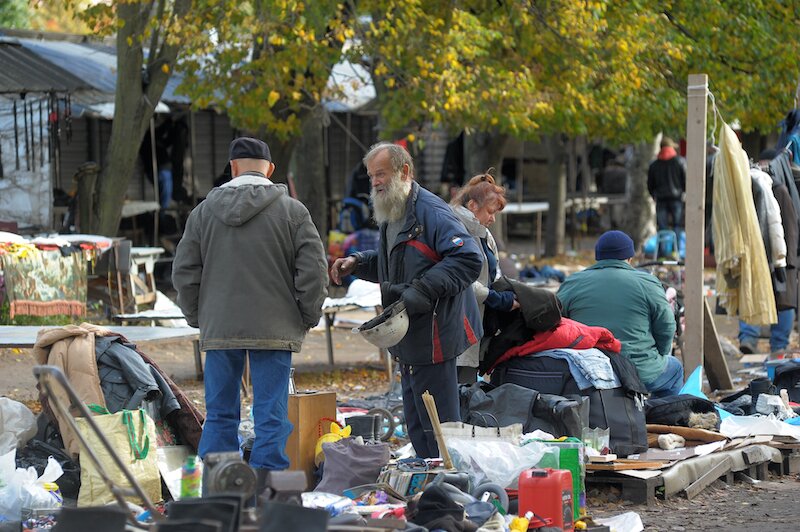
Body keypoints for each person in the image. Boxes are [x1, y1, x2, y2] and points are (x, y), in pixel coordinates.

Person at [172, 137, 328, 483]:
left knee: (219, 415)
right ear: (270, 170)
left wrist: (199, 316)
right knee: (271, 415)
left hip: (220, 327)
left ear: (233, 167)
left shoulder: (202, 213)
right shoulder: (293, 211)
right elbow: (313, 271)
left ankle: (218, 489)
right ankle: (267, 490)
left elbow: (184, 272)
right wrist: (307, 315)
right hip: (275, 328)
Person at [330, 142, 483, 458]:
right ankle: (428, 491)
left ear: (405, 172)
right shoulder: (392, 209)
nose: (375, 182)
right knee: (416, 423)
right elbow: (395, 263)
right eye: (372, 175)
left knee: (439, 426)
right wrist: (358, 262)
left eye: (381, 174)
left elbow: (468, 259)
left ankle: (451, 490)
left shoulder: (432, 212)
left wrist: (423, 291)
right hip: (408, 332)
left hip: (435, 333)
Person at [556, 230, 681, 398]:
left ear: (598, 257)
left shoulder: (573, 283)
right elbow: (666, 326)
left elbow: (556, 323)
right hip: (639, 371)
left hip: (586, 373)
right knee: (675, 369)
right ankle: (656, 418)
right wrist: (661, 354)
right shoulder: (647, 283)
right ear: (630, 258)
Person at [449, 171, 519, 383]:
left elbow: (491, 273)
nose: (492, 218)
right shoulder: (453, 230)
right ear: (472, 206)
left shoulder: (482, 233)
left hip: (474, 321)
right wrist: (494, 298)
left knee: (466, 390)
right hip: (455, 322)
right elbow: (458, 277)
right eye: (490, 212)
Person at [647, 137, 686, 255]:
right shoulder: (680, 161)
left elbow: (650, 184)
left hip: (661, 199)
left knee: (662, 227)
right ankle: (676, 252)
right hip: (676, 198)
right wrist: (683, 192)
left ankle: (662, 252)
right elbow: (685, 179)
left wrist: (653, 194)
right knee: (677, 226)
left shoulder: (654, 165)